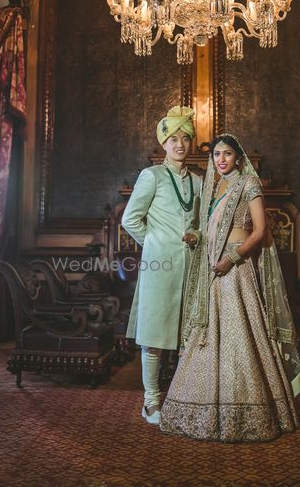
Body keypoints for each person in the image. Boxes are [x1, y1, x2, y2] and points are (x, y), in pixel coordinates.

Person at [160, 133, 300, 442]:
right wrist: (197, 238)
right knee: (208, 335)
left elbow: (261, 231)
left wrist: (233, 258)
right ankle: (203, 407)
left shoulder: (249, 185)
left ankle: (253, 409)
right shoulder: (213, 189)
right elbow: (212, 230)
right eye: (216, 155)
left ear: (239, 158)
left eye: (226, 154)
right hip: (214, 268)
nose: (221, 159)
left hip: (237, 270)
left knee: (242, 334)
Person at [122, 106, 201, 425]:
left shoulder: (199, 180)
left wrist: (196, 234)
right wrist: (155, 243)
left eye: (185, 138)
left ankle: (182, 398)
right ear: (163, 144)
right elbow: (130, 219)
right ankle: (151, 403)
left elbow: (202, 222)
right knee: (154, 336)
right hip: (160, 266)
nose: (180, 144)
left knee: (189, 336)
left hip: (193, 268)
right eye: (173, 139)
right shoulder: (151, 175)